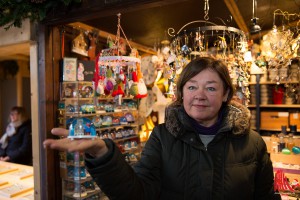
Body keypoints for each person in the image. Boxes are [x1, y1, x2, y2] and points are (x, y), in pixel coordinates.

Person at [44, 57, 279, 199]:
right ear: (180, 93)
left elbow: (265, 197)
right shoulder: (163, 136)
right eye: (191, 87)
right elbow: (137, 193)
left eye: (210, 88)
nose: (199, 96)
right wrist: (103, 155)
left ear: (226, 93)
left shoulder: (253, 143)